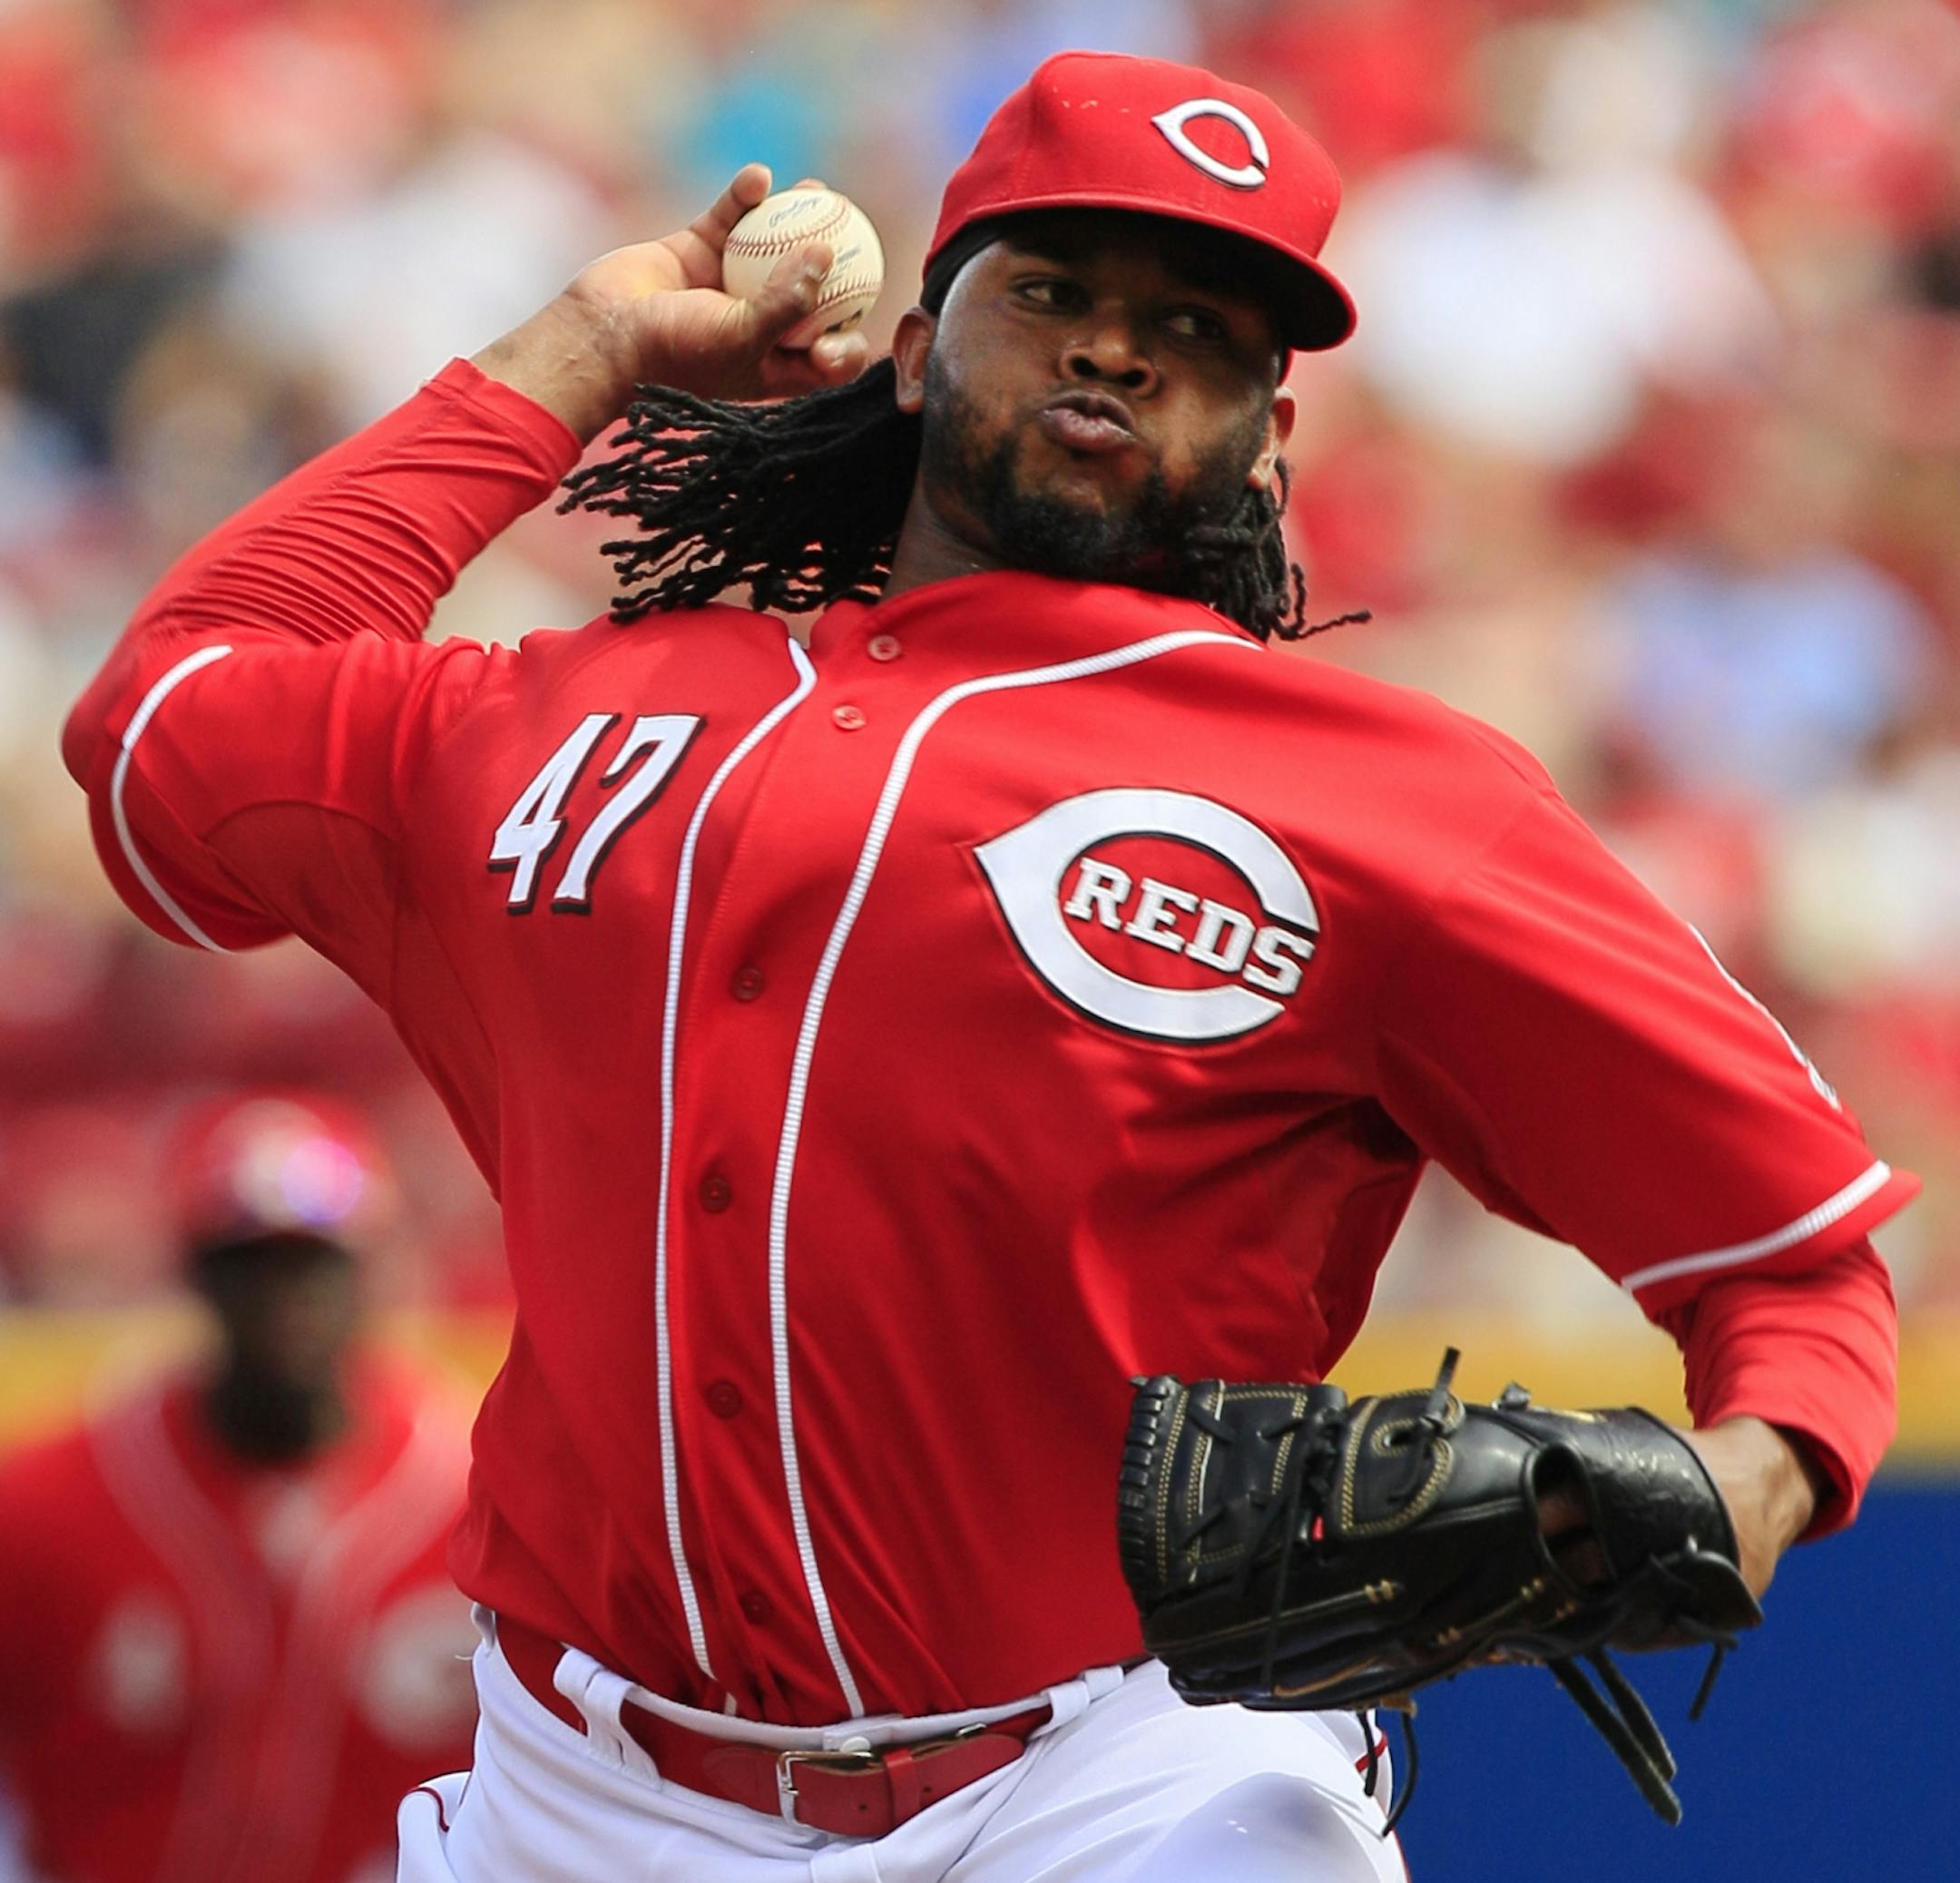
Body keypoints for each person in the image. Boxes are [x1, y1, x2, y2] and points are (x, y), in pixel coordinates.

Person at [60, 50, 1909, 1883]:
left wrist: (1754, 1482)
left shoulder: (1392, 802)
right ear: (916, 349)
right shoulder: (578, 719)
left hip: (1129, 1782)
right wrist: (587, 345)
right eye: (1051, 292)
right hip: (581, 1799)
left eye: (1193, 328)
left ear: (1273, 432)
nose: (1112, 350)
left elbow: (1793, 1258)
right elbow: (165, 716)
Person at [0, 1093, 478, 1883]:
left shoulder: (482, 1501)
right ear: (193, 1273)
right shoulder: (44, 1500)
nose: (284, 1300)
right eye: (248, 1265)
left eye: (313, 1263)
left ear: (373, 1270)